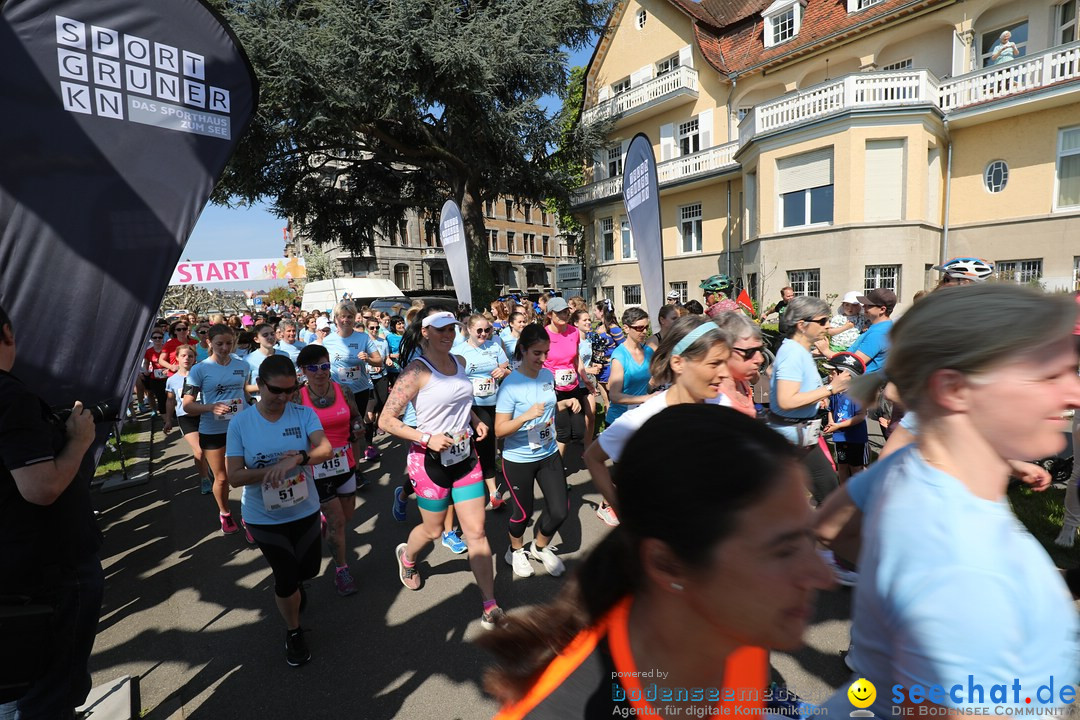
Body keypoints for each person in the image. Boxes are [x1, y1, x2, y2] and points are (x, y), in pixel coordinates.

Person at [819, 284, 1080, 717]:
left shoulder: (910, 467)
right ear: (955, 390)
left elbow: (833, 526)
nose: (1073, 394)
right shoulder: (960, 556)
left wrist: (896, 595)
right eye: (1048, 375)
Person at [481, 405, 832, 719]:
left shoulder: (739, 636)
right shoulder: (560, 709)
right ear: (668, 565)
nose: (823, 575)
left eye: (808, 538)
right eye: (782, 550)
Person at [0, 303, 105, 718]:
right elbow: (41, 488)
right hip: (48, 574)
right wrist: (78, 440)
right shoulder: (9, 396)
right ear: (8, 333)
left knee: (16, 689)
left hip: (16, 571)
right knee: (49, 696)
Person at [378, 311, 505, 629]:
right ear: (425, 332)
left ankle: (490, 604)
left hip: (465, 458)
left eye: (451, 328)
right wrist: (425, 438)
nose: (448, 334)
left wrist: (475, 421)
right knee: (434, 531)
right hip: (429, 462)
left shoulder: (460, 361)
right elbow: (386, 420)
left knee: (476, 533)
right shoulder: (417, 371)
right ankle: (408, 556)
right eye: (440, 330)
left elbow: (464, 401)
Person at [225, 354, 332, 667]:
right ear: (259, 386)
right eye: (277, 391)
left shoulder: (301, 414)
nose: (285, 397)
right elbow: (234, 476)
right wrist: (272, 470)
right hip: (263, 517)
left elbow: (324, 449)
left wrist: (298, 458)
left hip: (305, 509)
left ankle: (297, 587)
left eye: (291, 390)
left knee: (308, 570)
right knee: (285, 575)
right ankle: (294, 631)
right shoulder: (241, 422)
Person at [585, 316, 733, 526]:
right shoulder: (644, 418)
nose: (725, 373)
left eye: (725, 363)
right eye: (714, 363)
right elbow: (593, 457)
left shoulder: (722, 403)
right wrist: (623, 511)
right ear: (678, 363)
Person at [494, 325, 574, 578]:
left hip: (548, 452)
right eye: (536, 353)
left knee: (560, 510)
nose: (542, 359)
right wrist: (526, 416)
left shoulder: (547, 376)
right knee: (523, 513)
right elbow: (499, 430)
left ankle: (539, 546)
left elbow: (546, 411)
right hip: (519, 459)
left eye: (546, 352)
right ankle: (515, 551)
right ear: (523, 350)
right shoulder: (511, 385)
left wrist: (562, 404)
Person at [295, 344, 363, 596]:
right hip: (316, 468)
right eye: (313, 368)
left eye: (324, 366)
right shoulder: (296, 397)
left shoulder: (343, 390)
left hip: (345, 463)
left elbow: (355, 416)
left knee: (346, 518)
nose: (320, 372)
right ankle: (341, 570)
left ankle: (327, 523)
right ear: (303, 371)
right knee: (337, 522)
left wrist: (358, 426)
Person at [767, 296, 847, 506]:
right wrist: (831, 389)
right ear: (802, 325)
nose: (827, 325)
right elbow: (786, 401)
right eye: (822, 321)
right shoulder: (793, 353)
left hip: (800, 436)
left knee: (825, 495)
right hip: (791, 437)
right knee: (829, 498)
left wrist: (816, 396)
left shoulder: (799, 351)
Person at [183, 324, 253, 539]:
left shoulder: (243, 365)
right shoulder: (199, 369)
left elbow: (245, 394)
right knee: (222, 478)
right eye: (219, 344)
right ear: (209, 343)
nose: (224, 348)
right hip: (213, 429)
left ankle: (251, 518)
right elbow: (187, 405)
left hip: (242, 427)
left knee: (251, 474)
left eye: (229, 343)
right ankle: (225, 513)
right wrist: (210, 407)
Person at [456, 314, 511, 507]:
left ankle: (490, 489)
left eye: (487, 330)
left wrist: (504, 371)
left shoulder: (494, 346)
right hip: (471, 405)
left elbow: (507, 368)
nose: (483, 334)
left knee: (493, 442)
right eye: (479, 330)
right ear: (469, 329)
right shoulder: (459, 351)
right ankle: (486, 490)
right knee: (482, 444)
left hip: (496, 402)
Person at [323, 301, 383, 462]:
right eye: (343, 316)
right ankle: (344, 464)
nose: (346, 320)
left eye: (349, 316)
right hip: (338, 391)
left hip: (360, 391)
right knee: (343, 428)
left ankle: (354, 467)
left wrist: (369, 359)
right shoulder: (328, 341)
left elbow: (379, 361)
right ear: (336, 319)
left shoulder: (363, 337)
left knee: (355, 429)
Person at [543, 297, 589, 460]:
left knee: (578, 431)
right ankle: (556, 469)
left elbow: (576, 358)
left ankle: (552, 458)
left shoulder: (573, 332)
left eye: (565, 311)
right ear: (549, 314)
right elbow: (538, 361)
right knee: (563, 433)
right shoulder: (544, 335)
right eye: (559, 312)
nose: (563, 315)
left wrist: (585, 378)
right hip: (553, 389)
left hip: (573, 386)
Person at [164, 345, 211, 494]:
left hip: (204, 415)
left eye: (190, 356)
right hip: (186, 418)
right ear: (176, 358)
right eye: (183, 355)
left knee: (211, 448)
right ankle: (204, 479)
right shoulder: (172, 380)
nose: (187, 359)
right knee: (199, 450)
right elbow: (171, 401)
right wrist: (168, 420)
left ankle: (212, 469)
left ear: (194, 359)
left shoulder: (202, 375)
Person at [821, 352, 868, 482]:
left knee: (856, 468)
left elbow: (860, 416)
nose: (829, 376)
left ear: (846, 376)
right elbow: (831, 409)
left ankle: (859, 495)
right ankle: (843, 492)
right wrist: (831, 422)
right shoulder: (835, 392)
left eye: (832, 373)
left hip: (856, 438)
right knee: (842, 466)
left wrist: (838, 425)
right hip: (840, 438)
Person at [605, 307, 655, 425]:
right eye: (639, 328)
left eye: (646, 327)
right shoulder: (620, 356)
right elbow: (614, 396)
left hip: (640, 417)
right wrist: (645, 398)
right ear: (626, 328)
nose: (644, 331)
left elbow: (648, 382)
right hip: (619, 420)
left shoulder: (648, 351)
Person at [712, 311, 765, 418]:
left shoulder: (741, 379)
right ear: (722, 350)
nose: (760, 359)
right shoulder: (715, 399)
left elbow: (756, 379)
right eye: (749, 352)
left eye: (761, 349)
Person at [844, 288, 894, 373]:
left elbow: (853, 364)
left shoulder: (878, 334)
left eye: (868, 305)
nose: (863, 307)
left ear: (882, 309)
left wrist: (826, 351)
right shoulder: (884, 327)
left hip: (860, 383)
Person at [362, 316, 391, 462]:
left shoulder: (383, 342)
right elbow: (361, 360)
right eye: (372, 327)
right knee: (370, 413)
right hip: (368, 379)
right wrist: (368, 366)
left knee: (383, 402)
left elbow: (384, 358)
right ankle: (368, 443)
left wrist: (387, 361)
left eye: (377, 327)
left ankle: (373, 424)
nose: (374, 330)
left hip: (381, 376)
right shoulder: (364, 342)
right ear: (367, 328)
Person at [244, 323, 280, 396]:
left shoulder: (284, 355)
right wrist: (269, 386)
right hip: (259, 400)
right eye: (265, 335)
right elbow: (244, 387)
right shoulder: (248, 359)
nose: (270, 337)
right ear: (256, 339)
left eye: (272, 334)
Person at [142, 328, 168, 416]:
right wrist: (145, 370)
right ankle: (163, 415)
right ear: (152, 339)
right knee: (160, 398)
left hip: (168, 377)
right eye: (155, 337)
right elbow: (146, 363)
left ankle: (171, 412)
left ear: (162, 338)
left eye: (160, 337)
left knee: (169, 397)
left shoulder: (167, 349)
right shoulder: (149, 351)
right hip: (155, 379)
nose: (157, 339)